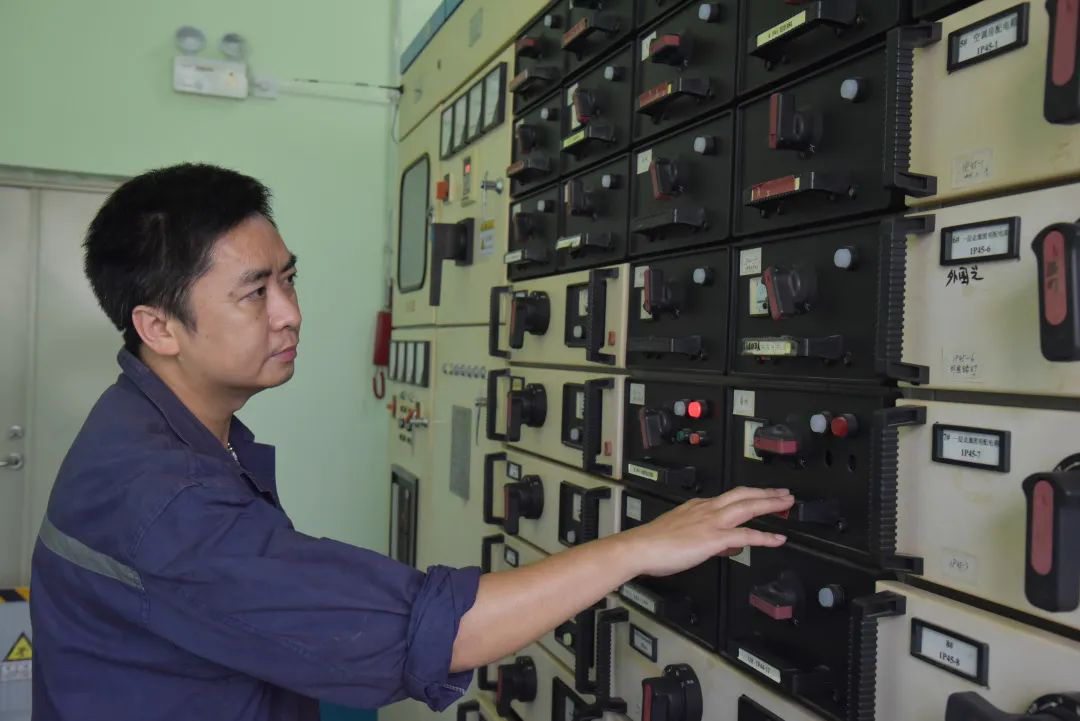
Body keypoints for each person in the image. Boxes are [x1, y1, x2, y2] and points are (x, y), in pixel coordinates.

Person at [29, 163, 795, 721]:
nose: (291, 312)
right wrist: (638, 546)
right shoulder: (166, 500)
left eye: (289, 279)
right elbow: (430, 631)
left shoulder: (144, 428)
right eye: (255, 292)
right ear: (158, 326)